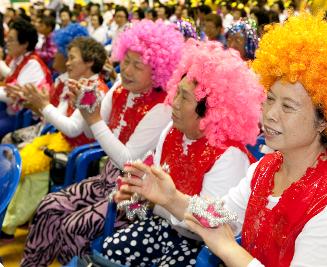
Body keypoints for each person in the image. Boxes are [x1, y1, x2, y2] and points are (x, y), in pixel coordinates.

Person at [123, 14, 327, 266]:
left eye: (288, 106)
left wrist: (229, 249)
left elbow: (224, 236)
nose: (270, 114)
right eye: (271, 99)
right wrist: (171, 198)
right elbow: (219, 214)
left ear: (325, 121)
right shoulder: (265, 170)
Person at [21, 19, 184, 266]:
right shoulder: (119, 87)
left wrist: (94, 117)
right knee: (48, 205)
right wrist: (84, 108)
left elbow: (128, 159)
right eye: (125, 61)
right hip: (105, 178)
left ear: (158, 70)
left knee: (72, 227)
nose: (126, 70)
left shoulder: (162, 108)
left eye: (137, 65)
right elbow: (85, 128)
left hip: (132, 193)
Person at [102, 39, 264, 266]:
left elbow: (207, 227)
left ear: (211, 109)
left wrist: (158, 202)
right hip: (163, 226)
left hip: (202, 246)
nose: (174, 103)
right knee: (111, 251)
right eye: (177, 92)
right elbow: (157, 190)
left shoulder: (229, 156)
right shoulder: (172, 130)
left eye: (185, 98)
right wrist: (139, 196)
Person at [0, 36, 108, 243]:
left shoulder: (95, 90)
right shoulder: (76, 83)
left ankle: (9, 225)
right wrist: (41, 104)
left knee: (34, 175)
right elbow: (60, 119)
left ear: (89, 62)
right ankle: (11, 217)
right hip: (60, 139)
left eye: (72, 58)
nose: (67, 62)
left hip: (76, 150)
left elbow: (73, 129)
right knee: (22, 160)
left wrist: (43, 105)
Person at [0, 18, 52, 138]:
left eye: (11, 40)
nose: (7, 41)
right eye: (7, 37)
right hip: (12, 111)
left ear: (25, 44)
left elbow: (13, 96)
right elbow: (11, 77)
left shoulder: (33, 64)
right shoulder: (20, 58)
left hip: (24, 118)